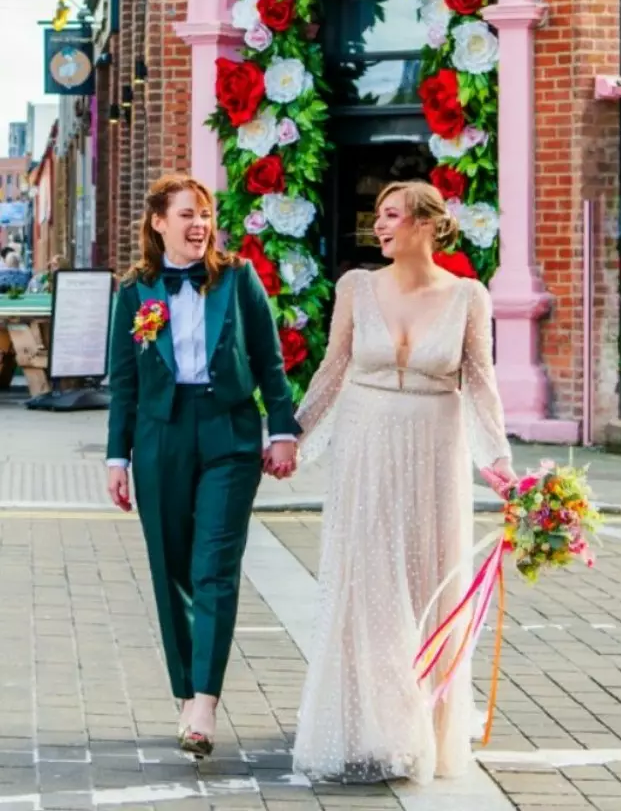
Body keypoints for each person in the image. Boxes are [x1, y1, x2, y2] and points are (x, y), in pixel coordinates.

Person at [292, 180, 516, 786]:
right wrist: (293, 435)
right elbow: (332, 368)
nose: (380, 227)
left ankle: (418, 728)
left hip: (436, 450)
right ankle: (368, 725)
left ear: (424, 224)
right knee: (366, 585)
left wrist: (502, 469)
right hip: (365, 447)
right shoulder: (355, 287)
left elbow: (482, 384)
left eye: (391, 216)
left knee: (422, 585)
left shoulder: (469, 296)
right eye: (378, 217)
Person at [106, 174, 299, 757]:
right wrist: (117, 456)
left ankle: (204, 703)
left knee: (215, 566)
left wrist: (283, 430)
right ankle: (185, 689)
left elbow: (269, 360)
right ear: (158, 222)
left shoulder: (238, 279)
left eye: (207, 214)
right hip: (159, 436)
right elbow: (124, 383)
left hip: (230, 434)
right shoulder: (135, 291)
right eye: (187, 214)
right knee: (172, 569)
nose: (200, 225)